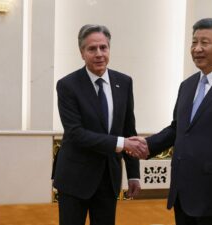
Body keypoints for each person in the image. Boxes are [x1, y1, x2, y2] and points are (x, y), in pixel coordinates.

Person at [132, 18, 212, 225]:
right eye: (194, 42)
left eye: (204, 42)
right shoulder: (187, 85)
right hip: (183, 194)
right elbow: (178, 129)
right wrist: (146, 146)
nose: (197, 49)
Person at [53, 24, 146, 225]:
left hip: (108, 178)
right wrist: (121, 144)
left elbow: (129, 130)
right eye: (92, 49)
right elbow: (76, 133)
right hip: (74, 178)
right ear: (81, 53)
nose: (99, 54)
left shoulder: (124, 82)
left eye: (103, 48)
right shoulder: (67, 85)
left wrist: (134, 175)